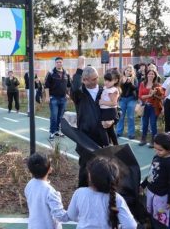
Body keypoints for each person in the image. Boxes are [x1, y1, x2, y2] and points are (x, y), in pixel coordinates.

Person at [70, 56, 109, 187]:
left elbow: (116, 109)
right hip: (85, 136)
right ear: (83, 80)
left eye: (95, 79)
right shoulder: (79, 94)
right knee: (85, 167)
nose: (92, 82)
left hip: (102, 135)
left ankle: (100, 189)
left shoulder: (105, 91)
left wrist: (113, 120)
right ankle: (82, 191)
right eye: (88, 80)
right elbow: (74, 88)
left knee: (102, 166)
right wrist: (80, 68)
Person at [67, 156, 137, 229]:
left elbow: (71, 215)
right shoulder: (117, 198)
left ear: (90, 177)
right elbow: (131, 225)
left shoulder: (79, 193)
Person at [140, 132, 170, 228]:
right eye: (155, 148)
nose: (156, 151)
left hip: (161, 197)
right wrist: (143, 185)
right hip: (151, 192)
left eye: (160, 150)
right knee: (150, 215)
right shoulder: (157, 157)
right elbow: (151, 173)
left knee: (160, 219)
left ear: (169, 149)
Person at [25, 152, 69, 229]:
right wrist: (74, 214)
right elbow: (61, 216)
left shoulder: (29, 185)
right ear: (49, 169)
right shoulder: (50, 192)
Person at [45, 57, 71, 140]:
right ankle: (52, 132)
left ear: (62, 63)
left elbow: (69, 85)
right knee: (54, 116)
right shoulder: (51, 73)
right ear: (55, 63)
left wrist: (67, 94)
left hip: (63, 99)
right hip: (53, 98)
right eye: (57, 62)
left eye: (60, 62)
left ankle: (58, 131)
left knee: (60, 117)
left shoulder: (66, 73)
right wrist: (47, 96)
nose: (59, 63)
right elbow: (46, 86)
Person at [138, 68, 164, 147]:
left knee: (153, 124)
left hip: (154, 107)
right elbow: (140, 96)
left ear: (155, 75)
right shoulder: (142, 83)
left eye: (152, 74)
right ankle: (143, 139)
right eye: (149, 73)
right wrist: (150, 95)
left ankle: (154, 141)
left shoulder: (158, 85)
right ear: (147, 75)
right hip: (145, 106)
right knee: (145, 124)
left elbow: (162, 97)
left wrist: (155, 94)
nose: (151, 75)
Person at [99, 69, 121, 145]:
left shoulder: (113, 90)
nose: (106, 82)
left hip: (109, 111)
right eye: (105, 80)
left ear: (115, 80)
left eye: (109, 80)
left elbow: (114, 103)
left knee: (109, 129)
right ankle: (111, 145)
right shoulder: (106, 88)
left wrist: (102, 102)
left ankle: (114, 145)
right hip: (105, 111)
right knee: (108, 130)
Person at [116, 65, 138, 139]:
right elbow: (118, 87)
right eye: (127, 70)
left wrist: (130, 83)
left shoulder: (134, 78)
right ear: (124, 70)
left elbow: (136, 88)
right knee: (121, 116)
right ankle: (119, 132)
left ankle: (131, 134)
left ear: (132, 72)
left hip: (131, 99)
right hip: (122, 99)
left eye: (130, 71)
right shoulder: (121, 78)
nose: (128, 72)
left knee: (131, 117)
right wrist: (124, 82)